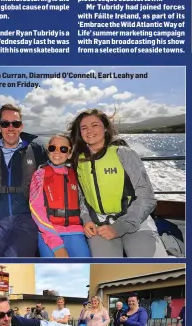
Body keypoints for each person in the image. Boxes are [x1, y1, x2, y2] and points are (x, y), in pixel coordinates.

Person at [69, 109, 167, 258]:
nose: (89, 131)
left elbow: (146, 198)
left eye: (95, 125)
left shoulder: (124, 153)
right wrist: (87, 220)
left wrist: (119, 227)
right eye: (84, 128)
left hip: (136, 222)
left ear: (106, 128)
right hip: (99, 224)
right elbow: (82, 199)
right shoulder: (79, 160)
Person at [0, 105, 47, 257]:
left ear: (21, 127)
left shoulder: (36, 151)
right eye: (5, 123)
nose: (10, 128)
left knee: (15, 257)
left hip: (26, 218)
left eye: (15, 123)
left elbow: (58, 164)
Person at [29, 133, 90, 258]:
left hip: (75, 232)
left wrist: (87, 221)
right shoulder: (40, 175)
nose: (57, 152)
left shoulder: (76, 174)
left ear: (70, 153)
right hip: (49, 234)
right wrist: (56, 245)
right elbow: (36, 210)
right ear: (47, 149)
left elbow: (83, 203)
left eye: (63, 149)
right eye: (53, 148)